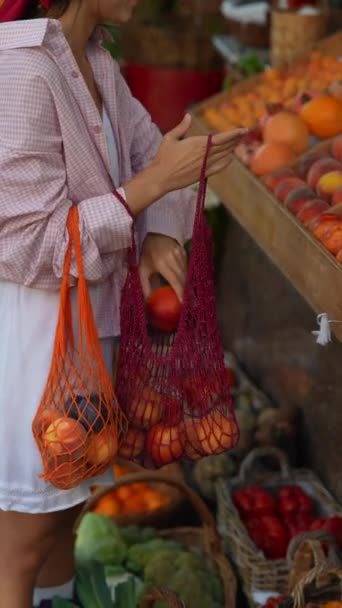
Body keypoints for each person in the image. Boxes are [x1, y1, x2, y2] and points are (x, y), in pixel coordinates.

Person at [0, 0, 245, 606]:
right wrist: (153, 187)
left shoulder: (95, 60)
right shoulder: (21, 71)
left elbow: (147, 153)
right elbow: (27, 243)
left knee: (64, 518)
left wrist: (160, 222)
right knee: (20, 545)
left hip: (86, 335)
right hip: (36, 343)